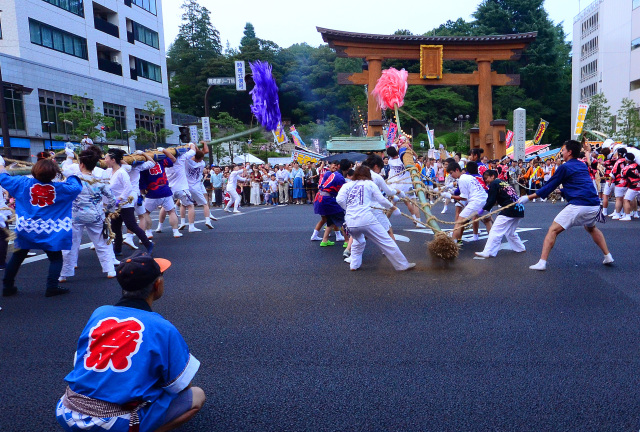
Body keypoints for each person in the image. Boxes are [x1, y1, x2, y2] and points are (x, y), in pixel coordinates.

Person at [55, 252, 205, 432]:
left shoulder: (100, 313)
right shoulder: (162, 327)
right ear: (157, 285)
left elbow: (80, 360)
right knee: (196, 395)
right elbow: (180, 385)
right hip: (112, 422)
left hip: (68, 411)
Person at [518, 140, 613, 270]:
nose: (561, 152)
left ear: (569, 152)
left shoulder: (564, 166)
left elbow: (549, 186)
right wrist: (561, 191)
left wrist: (528, 197)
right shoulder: (582, 165)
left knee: (553, 230)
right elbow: (579, 184)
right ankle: (608, 256)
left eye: (563, 150)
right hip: (594, 204)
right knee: (591, 228)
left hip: (579, 205)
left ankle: (542, 262)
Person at [0, 156, 82, 297]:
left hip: (26, 228)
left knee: (18, 256)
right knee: (55, 258)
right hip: (51, 231)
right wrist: (70, 174)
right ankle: (52, 287)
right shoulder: (61, 188)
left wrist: (1, 165)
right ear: (54, 174)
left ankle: (8, 286)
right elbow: (76, 187)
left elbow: (4, 178)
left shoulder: (22, 183)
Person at [337, 165, 415, 271]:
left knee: (358, 241)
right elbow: (381, 200)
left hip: (350, 221)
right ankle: (402, 265)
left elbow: (339, 200)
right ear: (368, 175)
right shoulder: (370, 183)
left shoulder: (347, 185)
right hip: (366, 218)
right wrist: (393, 208)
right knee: (386, 241)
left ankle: (354, 265)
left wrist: (348, 209)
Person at [60, 147, 119, 282]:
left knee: (70, 244)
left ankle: (64, 274)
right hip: (95, 215)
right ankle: (109, 270)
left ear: (81, 164)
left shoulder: (73, 180)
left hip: (75, 215)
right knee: (102, 243)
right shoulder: (99, 179)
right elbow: (111, 199)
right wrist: (108, 211)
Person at [105, 149, 153, 256]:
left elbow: (128, 188)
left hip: (125, 203)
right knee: (115, 228)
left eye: (106, 158)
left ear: (113, 160)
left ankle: (148, 244)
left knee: (131, 225)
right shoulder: (108, 172)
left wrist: (120, 199)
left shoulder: (122, 172)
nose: (105, 160)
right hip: (114, 204)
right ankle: (117, 250)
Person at [474, 169, 526, 258]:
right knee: (510, 232)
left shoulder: (494, 184)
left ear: (492, 176)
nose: (485, 180)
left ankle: (488, 252)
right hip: (519, 208)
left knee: (495, 230)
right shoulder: (503, 182)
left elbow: (491, 201)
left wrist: (483, 210)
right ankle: (520, 247)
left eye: (486, 178)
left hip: (509, 209)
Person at [140, 149, 182, 239]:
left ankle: (148, 232)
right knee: (171, 212)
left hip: (152, 191)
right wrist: (164, 151)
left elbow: (142, 185)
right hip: (165, 189)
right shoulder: (161, 161)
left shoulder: (143, 166)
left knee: (145, 213)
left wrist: (143, 193)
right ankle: (176, 231)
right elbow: (173, 159)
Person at [164, 144, 200, 233]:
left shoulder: (165, 162)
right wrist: (191, 144)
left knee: (167, 209)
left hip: (170, 189)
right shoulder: (181, 158)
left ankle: (159, 226)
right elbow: (193, 151)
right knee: (190, 205)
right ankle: (191, 226)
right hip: (182, 188)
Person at [186, 143, 215, 229]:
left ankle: (185, 223)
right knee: (205, 204)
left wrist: (192, 145)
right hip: (196, 187)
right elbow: (202, 152)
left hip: (186, 187)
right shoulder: (202, 163)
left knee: (187, 205)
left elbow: (196, 154)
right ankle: (207, 220)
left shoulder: (187, 161)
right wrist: (203, 143)